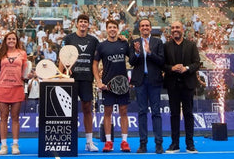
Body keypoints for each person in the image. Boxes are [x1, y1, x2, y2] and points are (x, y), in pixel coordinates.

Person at [59, 14, 99, 152]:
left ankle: (89, 142)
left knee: (87, 109)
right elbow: (62, 58)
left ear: (88, 24)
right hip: (71, 79)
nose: (83, 24)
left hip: (87, 79)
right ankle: (67, 139)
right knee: (67, 111)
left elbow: (97, 60)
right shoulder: (68, 39)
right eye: (81, 21)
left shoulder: (94, 40)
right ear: (76, 24)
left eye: (85, 22)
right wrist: (62, 75)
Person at [92, 19, 131, 153]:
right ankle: (108, 142)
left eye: (115, 27)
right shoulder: (101, 46)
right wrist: (98, 81)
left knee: (124, 112)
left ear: (117, 29)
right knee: (107, 113)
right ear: (106, 29)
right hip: (107, 86)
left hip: (123, 85)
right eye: (110, 27)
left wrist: (128, 41)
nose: (112, 29)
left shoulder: (124, 44)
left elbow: (133, 59)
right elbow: (94, 64)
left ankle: (124, 142)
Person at [163, 21, 200, 154]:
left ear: (183, 29)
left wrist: (186, 69)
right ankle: (175, 144)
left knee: (188, 114)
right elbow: (162, 64)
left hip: (188, 84)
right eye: (172, 28)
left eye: (177, 27)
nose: (175, 30)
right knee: (174, 115)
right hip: (172, 84)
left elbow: (197, 63)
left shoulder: (191, 45)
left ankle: (190, 144)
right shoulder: (166, 46)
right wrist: (172, 68)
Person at [129, 19, 165, 154]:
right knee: (142, 112)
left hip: (154, 81)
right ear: (139, 28)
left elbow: (161, 61)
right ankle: (142, 143)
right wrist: (137, 53)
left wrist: (150, 53)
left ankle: (159, 144)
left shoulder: (158, 42)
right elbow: (132, 61)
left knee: (156, 112)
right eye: (142, 26)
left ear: (150, 28)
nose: (145, 27)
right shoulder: (134, 43)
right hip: (140, 82)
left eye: (147, 26)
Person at [0, 32, 28, 155]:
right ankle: (3, 145)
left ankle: (15, 144)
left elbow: (25, 71)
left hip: (17, 88)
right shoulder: (0, 54)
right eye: (9, 39)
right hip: (3, 88)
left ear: (16, 40)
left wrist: (28, 76)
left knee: (15, 118)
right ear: (5, 40)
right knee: (3, 118)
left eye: (13, 39)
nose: (11, 40)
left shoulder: (22, 53)